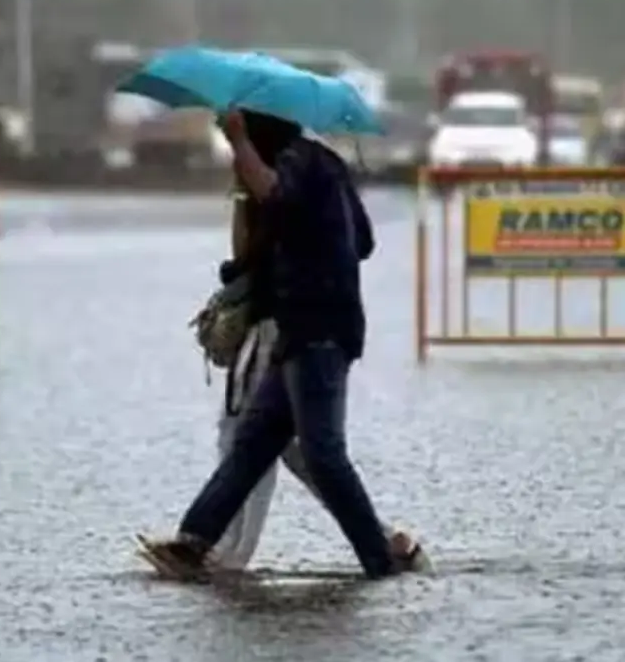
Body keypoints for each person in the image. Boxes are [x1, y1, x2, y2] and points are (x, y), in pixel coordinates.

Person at [141, 110, 424, 580]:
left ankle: (381, 558)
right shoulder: (324, 164)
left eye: (240, 130)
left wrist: (238, 144)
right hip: (302, 329)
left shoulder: (298, 163)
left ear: (258, 130)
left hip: (318, 329)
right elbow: (365, 241)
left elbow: (275, 194)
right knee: (252, 442)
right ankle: (193, 542)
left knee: (322, 454)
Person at [210, 184, 421, 571]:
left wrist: (244, 202)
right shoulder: (299, 178)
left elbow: (248, 256)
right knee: (289, 446)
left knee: (249, 436)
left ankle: (228, 552)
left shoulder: (282, 178)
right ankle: (385, 539)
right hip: (294, 325)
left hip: (280, 326)